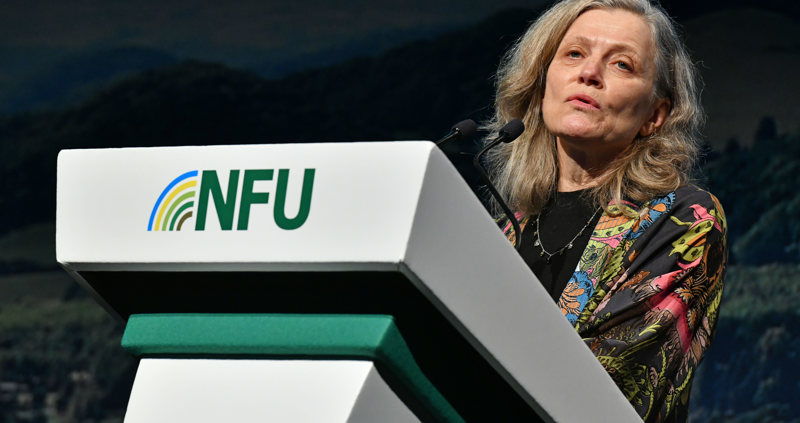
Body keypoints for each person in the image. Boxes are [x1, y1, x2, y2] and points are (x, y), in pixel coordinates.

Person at [485, 0, 727, 421]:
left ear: (655, 115)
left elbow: (602, 383)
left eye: (621, 65)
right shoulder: (503, 229)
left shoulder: (684, 220)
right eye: (574, 53)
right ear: (542, 85)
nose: (589, 73)